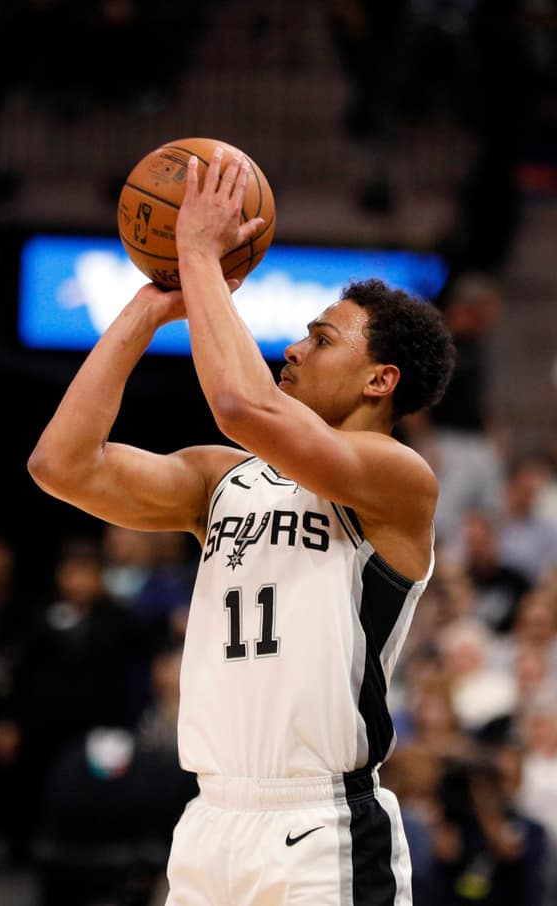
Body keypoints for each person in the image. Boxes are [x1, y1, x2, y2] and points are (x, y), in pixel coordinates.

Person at [29, 146, 456, 905]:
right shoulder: (223, 478)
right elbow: (62, 465)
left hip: (322, 828)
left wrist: (197, 253)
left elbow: (243, 406)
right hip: (211, 819)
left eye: (323, 340)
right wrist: (151, 304)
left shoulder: (398, 480)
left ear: (379, 381)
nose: (293, 347)